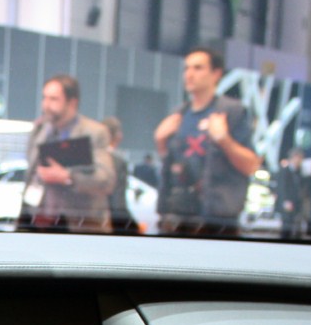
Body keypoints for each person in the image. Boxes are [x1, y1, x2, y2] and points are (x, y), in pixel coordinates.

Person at [153, 47, 259, 235]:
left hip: (217, 220)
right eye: (187, 68)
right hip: (178, 216)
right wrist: (160, 141)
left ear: (216, 74)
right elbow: (170, 167)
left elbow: (251, 165)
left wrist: (224, 139)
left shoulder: (231, 111)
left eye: (198, 68)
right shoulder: (179, 114)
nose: (189, 74)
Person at [14, 74, 115, 233]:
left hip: (78, 226)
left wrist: (67, 177)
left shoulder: (94, 132)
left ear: (72, 102)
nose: (46, 105)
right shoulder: (40, 129)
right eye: (44, 98)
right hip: (40, 222)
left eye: (54, 99)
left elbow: (106, 180)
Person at [103, 115, 135, 232]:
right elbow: (118, 201)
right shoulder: (118, 162)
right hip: (110, 222)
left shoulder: (90, 158)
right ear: (117, 136)